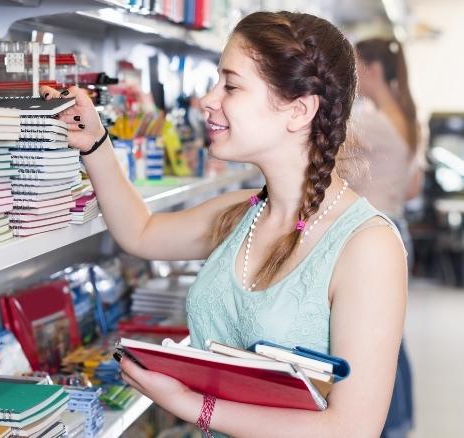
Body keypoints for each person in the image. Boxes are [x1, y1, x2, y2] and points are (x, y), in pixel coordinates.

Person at [42, 11, 407, 437]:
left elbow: (352, 429)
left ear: (299, 110)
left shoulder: (367, 246)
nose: (208, 99)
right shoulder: (242, 212)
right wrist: (96, 144)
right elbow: (140, 232)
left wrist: (191, 405)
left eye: (231, 86)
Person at [348, 37, 423, 438]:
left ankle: (389, 426)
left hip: (375, 233)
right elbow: (411, 188)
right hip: (399, 230)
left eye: (355, 66)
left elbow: (323, 157)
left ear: (373, 70)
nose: (354, 76)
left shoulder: (372, 123)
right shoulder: (410, 121)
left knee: (376, 343)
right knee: (392, 336)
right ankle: (401, 422)